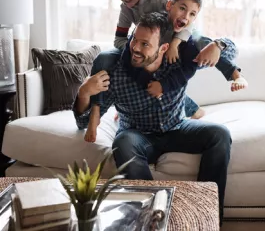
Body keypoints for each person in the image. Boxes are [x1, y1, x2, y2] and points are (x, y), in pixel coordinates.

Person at [73, 12, 232, 225]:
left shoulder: (179, 60)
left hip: (177, 127)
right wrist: (84, 92)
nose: (136, 48)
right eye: (134, 40)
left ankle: (207, 217)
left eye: (145, 44)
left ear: (163, 48)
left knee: (220, 134)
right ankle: (152, 222)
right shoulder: (117, 72)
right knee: (123, 142)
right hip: (138, 135)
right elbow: (83, 123)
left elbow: (231, 51)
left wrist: (219, 45)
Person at [86, 0, 247, 142]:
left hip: (178, 40)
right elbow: (119, 39)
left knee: (203, 44)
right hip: (146, 48)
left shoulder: (160, 0)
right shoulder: (126, 9)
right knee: (105, 58)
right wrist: (137, 48)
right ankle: (96, 110)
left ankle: (234, 75)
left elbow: (184, 22)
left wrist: (175, 43)